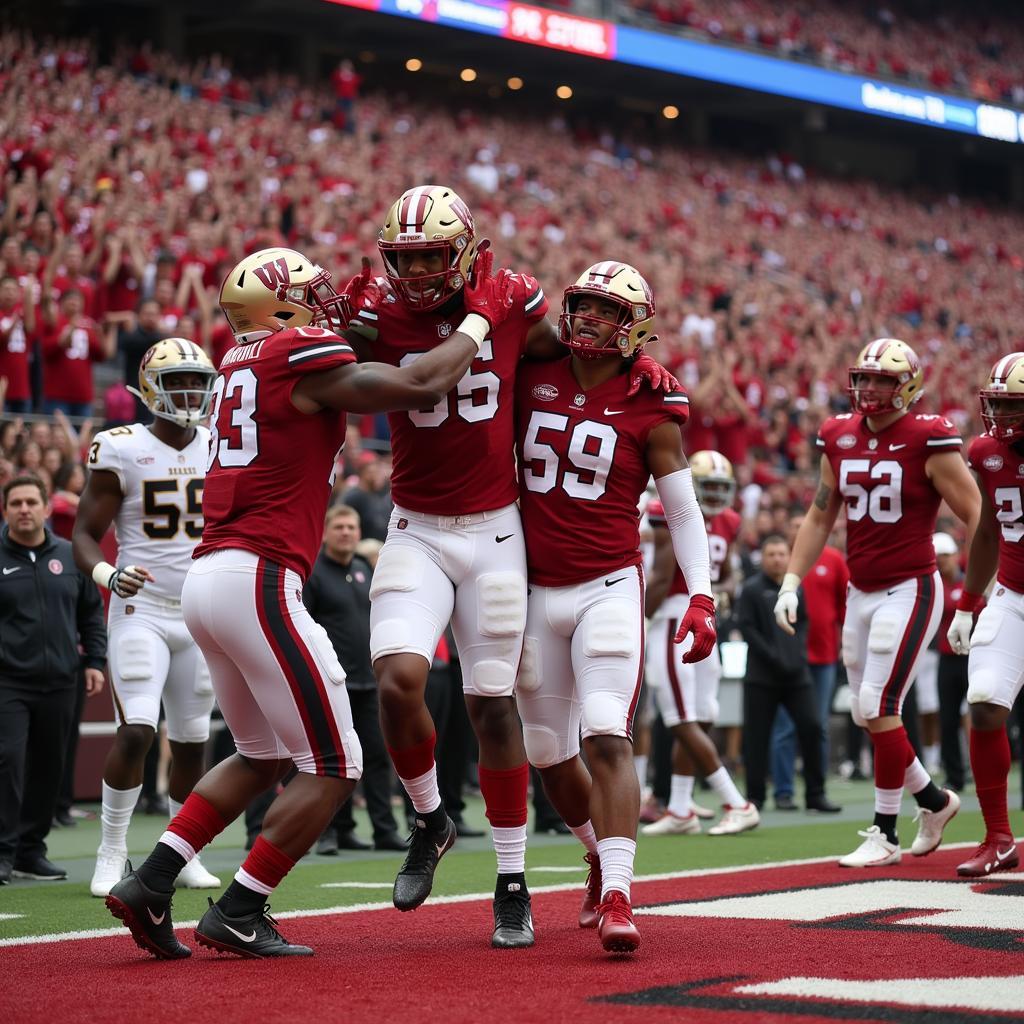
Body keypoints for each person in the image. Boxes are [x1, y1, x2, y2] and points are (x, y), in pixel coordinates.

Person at [104, 243, 520, 960]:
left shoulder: (240, 359)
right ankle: (240, 907)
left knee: (262, 753)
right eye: (314, 294)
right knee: (335, 766)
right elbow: (422, 384)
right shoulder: (297, 351)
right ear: (286, 308)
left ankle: (152, 881)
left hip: (211, 577)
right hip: (258, 577)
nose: (333, 305)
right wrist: (480, 319)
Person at [344, 187, 673, 948]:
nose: (419, 270)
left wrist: (641, 368)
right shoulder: (389, 317)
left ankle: (513, 881)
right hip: (415, 526)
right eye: (406, 257)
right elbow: (356, 374)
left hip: (496, 531)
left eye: (432, 254)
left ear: (462, 250)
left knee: (495, 704)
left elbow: (583, 356)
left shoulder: (518, 304)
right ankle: (430, 818)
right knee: (398, 679)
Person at [514, 261, 713, 954]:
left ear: (637, 330)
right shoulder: (530, 369)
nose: (592, 318)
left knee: (606, 732)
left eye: (609, 310)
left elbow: (683, 514)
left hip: (607, 584)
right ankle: (596, 850)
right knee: (547, 751)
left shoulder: (654, 403)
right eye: (585, 305)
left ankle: (622, 893)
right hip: (534, 587)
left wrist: (702, 595)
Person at [777, 338, 980, 867]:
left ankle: (885, 833)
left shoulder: (929, 438)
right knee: (871, 715)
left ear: (907, 386)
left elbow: (977, 517)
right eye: (863, 379)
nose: (868, 389)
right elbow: (821, 514)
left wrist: (972, 599)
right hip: (859, 590)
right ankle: (933, 802)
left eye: (882, 380)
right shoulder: (838, 435)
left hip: (910, 587)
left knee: (877, 707)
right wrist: (791, 580)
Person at [73, 338, 222, 897]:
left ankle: (183, 852)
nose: (189, 393)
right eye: (177, 382)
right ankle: (112, 849)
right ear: (150, 387)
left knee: (189, 741)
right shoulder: (120, 448)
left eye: (196, 382)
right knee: (137, 729)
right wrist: (108, 575)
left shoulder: (217, 444)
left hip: (201, 611)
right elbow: (84, 534)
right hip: (142, 609)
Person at [642, 450, 758, 837]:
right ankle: (679, 807)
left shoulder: (677, 512)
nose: (712, 495)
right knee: (697, 716)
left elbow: (662, 576)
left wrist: (640, 618)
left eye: (719, 488)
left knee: (683, 718)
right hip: (705, 619)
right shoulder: (725, 519)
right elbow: (725, 577)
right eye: (707, 486)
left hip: (675, 617)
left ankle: (735, 802)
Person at [0, 474, 106, 884]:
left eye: (31, 502)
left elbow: (91, 615)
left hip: (63, 681)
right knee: (8, 761)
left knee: (50, 768)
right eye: (16, 503)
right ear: (6, 510)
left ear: (47, 509)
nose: (24, 509)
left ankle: (30, 851)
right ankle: (4, 851)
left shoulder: (70, 556)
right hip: (9, 682)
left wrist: (95, 660)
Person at [946, 353, 1024, 876]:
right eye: (997, 405)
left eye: (1012, 407)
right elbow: (990, 531)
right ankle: (998, 835)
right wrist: (968, 603)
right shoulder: (986, 451)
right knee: (983, 702)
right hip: (1013, 594)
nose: (1000, 417)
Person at [303, 505, 404, 853]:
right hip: (332, 682)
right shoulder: (313, 573)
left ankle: (383, 830)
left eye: (351, 527)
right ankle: (328, 832)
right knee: (333, 760)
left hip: (367, 681)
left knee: (376, 757)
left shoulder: (363, 569)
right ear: (327, 531)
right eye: (340, 527)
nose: (346, 532)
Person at [737, 535, 840, 814]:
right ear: (763, 557)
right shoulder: (751, 589)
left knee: (812, 727)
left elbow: (803, 622)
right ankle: (755, 798)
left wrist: (797, 655)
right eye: (771, 554)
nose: (778, 559)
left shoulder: (795, 589)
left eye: (782, 554)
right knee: (757, 737)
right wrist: (773, 656)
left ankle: (816, 794)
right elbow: (746, 628)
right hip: (761, 677)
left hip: (796, 675)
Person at [770, 513, 849, 808]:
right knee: (785, 726)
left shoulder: (833, 559)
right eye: (793, 525)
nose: (798, 529)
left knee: (818, 725)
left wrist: (845, 642)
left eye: (802, 524)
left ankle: (817, 790)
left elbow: (844, 604)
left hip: (824, 653)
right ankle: (784, 791)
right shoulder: (780, 560)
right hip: (789, 657)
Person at [932, 533, 972, 791]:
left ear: (955, 556)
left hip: (971, 658)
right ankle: (954, 775)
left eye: (945, 556)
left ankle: (981, 769)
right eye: (937, 558)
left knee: (980, 716)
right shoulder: (934, 587)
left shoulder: (969, 583)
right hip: (946, 659)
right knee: (947, 719)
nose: (941, 562)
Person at [341, 452, 391, 542]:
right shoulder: (353, 496)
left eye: (377, 469)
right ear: (363, 471)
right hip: (361, 547)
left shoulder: (381, 494)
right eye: (373, 470)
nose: (377, 473)